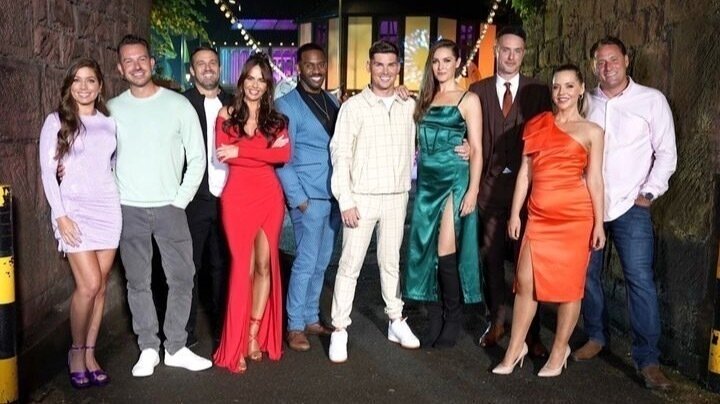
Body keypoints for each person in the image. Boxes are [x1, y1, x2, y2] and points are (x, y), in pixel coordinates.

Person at [573, 36, 677, 391]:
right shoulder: (585, 101)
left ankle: (648, 360)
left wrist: (648, 193)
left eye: (613, 60)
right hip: (590, 205)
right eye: (600, 62)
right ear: (593, 66)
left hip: (632, 207)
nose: (608, 67)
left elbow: (666, 152)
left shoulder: (651, 101)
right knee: (588, 275)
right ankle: (596, 336)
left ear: (627, 60)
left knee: (639, 281)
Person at [492, 64, 605, 377]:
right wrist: (515, 213)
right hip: (539, 218)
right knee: (525, 283)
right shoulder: (537, 124)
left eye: (569, 86)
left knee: (570, 288)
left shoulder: (593, 132)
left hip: (575, 219)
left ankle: (559, 351)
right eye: (556, 86)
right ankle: (515, 349)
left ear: (581, 89)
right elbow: (525, 174)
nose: (562, 92)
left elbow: (595, 180)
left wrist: (599, 223)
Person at [109, 34, 211, 377]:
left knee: (182, 277)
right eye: (128, 61)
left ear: (152, 63)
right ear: (120, 69)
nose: (136, 66)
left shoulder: (178, 105)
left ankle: (177, 347)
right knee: (138, 281)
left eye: (142, 59)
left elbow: (198, 157)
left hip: (171, 207)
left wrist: (180, 200)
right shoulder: (112, 109)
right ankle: (149, 348)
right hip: (129, 208)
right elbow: (100, 157)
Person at [328, 40, 420, 363]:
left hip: (396, 196)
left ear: (398, 68)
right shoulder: (353, 108)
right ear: (369, 66)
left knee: (390, 262)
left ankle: (395, 320)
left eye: (391, 65)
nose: (385, 71)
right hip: (362, 198)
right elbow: (340, 154)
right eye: (379, 64)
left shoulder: (408, 105)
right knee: (349, 265)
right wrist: (345, 199)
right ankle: (339, 328)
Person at [469, 26, 552, 356]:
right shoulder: (477, 90)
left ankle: (532, 332)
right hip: (489, 189)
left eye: (518, 51)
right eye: (506, 49)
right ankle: (497, 321)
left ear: (524, 53)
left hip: (527, 190)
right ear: (496, 51)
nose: (511, 56)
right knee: (490, 259)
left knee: (527, 264)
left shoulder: (539, 91)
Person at [39, 58, 120, 388]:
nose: (84, 87)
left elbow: (110, 166)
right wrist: (60, 215)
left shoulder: (109, 123)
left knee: (100, 286)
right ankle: (75, 351)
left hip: (108, 211)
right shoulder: (56, 121)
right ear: (69, 85)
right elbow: (48, 173)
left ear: (100, 87)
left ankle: (89, 353)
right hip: (73, 212)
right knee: (88, 285)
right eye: (77, 80)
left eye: (90, 80)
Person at [212, 53, 291, 374]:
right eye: (251, 78)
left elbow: (283, 156)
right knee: (241, 268)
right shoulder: (226, 115)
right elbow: (224, 155)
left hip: (270, 197)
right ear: (242, 81)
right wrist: (262, 152)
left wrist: (241, 149)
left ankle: (253, 334)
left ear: (268, 85)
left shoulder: (276, 120)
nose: (255, 85)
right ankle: (234, 343)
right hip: (237, 199)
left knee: (263, 265)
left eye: (262, 80)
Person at [404, 39, 484, 348]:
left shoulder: (468, 99)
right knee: (425, 250)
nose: (440, 67)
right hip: (427, 183)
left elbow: (476, 149)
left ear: (457, 62)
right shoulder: (425, 98)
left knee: (444, 250)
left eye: (446, 60)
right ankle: (434, 318)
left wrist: (473, 190)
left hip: (454, 180)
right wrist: (401, 93)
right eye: (436, 61)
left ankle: (453, 317)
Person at [275, 43, 341, 352]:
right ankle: (294, 325)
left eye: (320, 64)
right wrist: (298, 199)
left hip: (333, 195)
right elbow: (281, 158)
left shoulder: (333, 101)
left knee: (322, 261)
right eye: (309, 64)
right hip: (308, 197)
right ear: (298, 68)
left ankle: (312, 316)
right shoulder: (286, 105)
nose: (316, 70)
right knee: (305, 262)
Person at [182, 46, 234, 347]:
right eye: (200, 63)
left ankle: (222, 330)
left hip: (229, 196)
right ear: (192, 70)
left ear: (219, 67)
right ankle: (185, 333)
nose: (207, 67)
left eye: (212, 62)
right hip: (194, 197)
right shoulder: (182, 103)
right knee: (189, 266)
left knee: (222, 265)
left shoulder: (234, 102)